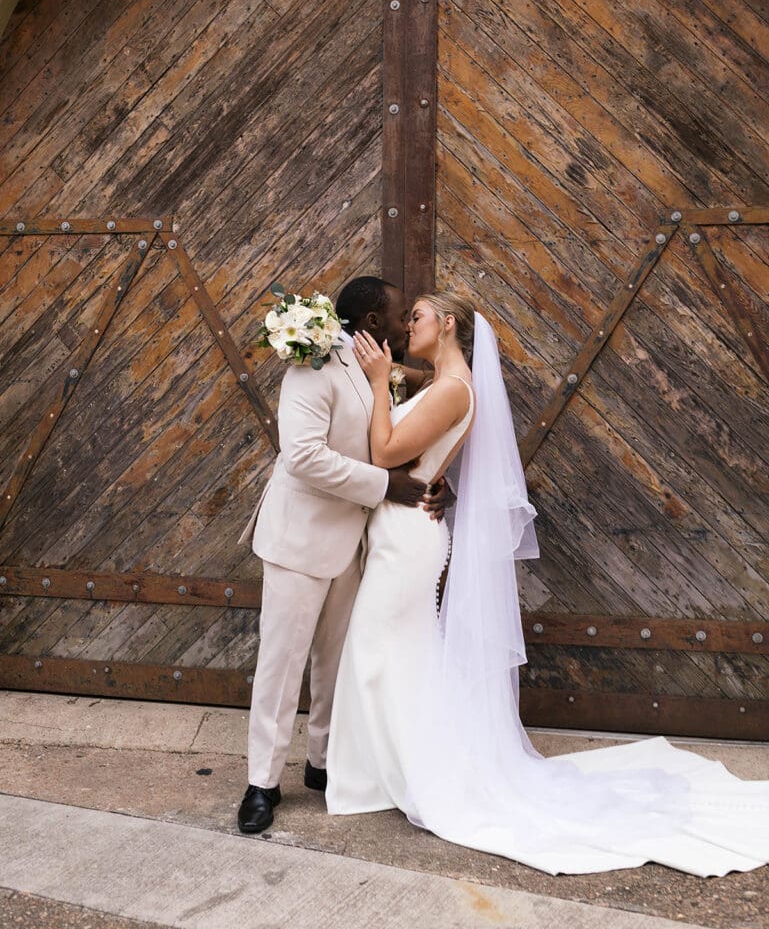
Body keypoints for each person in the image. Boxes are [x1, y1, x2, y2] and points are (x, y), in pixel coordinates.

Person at [326, 290, 769, 876]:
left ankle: (404, 774)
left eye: (418, 317)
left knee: (380, 649)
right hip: (400, 534)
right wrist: (389, 374)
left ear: (449, 323)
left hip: (407, 542)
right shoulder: (441, 382)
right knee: (392, 653)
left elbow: (385, 452)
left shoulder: (455, 389)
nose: (408, 325)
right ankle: (385, 771)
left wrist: (381, 381)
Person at [236, 276, 450, 835]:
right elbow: (303, 456)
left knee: (335, 662)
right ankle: (261, 781)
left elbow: (405, 429)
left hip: (358, 545)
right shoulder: (314, 364)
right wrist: (385, 486)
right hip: (300, 540)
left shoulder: (380, 370)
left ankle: (322, 764)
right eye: (401, 313)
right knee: (282, 665)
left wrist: (431, 480)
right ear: (373, 321)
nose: (407, 323)